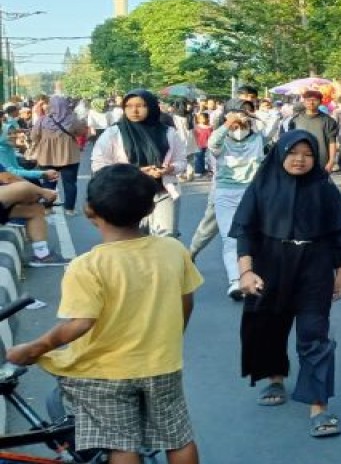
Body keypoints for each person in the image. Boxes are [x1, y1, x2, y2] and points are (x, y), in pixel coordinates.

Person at [6, 164, 202, 464]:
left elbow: (81, 323)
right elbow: (185, 301)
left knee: (121, 446)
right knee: (177, 437)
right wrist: (169, 340)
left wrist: (36, 347)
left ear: (89, 211)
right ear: (150, 208)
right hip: (162, 362)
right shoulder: (174, 250)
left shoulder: (87, 265)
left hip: (104, 372)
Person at [231, 129, 341, 437]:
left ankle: (318, 406)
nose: (300, 159)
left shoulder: (324, 188)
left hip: (315, 264)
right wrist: (246, 272)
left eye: (308, 154)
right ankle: (274, 378)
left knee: (315, 332)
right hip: (269, 263)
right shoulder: (262, 185)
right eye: (293, 153)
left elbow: (338, 232)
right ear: (280, 153)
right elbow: (244, 231)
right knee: (269, 325)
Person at [91, 89, 187, 238]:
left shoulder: (168, 133)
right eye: (129, 106)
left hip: (162, 192)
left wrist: (170, 169)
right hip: (126, 195)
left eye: (141, 105)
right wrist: (135, 172)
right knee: (133, 243)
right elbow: (98, 166)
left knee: (166, 239)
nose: (134, 110)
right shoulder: (113, 133)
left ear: (152, 106)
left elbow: (181, 161)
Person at [207, 111, 267, 300]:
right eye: (234, 125)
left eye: (242, 125)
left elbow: (271, 130)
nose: (238, 129)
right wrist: (228, 123)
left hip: (252, 192)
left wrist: (253, 118)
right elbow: (211, 143)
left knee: (257, 236)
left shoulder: (258, 140)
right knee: (230, 238)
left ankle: (254, 276)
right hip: (226, 193)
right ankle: (235, 280)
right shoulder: (222, 141)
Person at [27, 94, 87, 217]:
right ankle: (69, 209)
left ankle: (47, 209)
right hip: (69, 157)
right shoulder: (72, 119)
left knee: (48, 184)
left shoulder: (42, 120)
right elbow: (81, 132)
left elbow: (33, 137)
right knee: (70, 184)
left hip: (47, 157)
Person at [286, 90, 340, 173]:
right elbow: (290, 141)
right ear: (303, 102)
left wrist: (331, 161)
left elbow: (332, 142)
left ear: (320, 102)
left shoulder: (328, 121)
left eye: (314, 100)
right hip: (300, 161)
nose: (311, 103)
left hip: (321, 161)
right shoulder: (295, 120)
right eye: (308, 100)